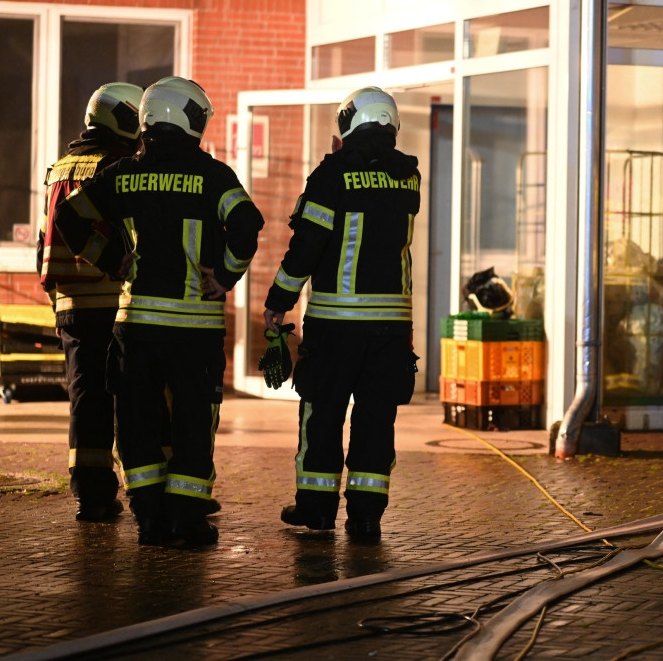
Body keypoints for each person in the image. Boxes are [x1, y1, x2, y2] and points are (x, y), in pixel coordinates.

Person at [55, 76, 264, 547]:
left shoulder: (124, 174)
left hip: (136, 328)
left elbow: (69, 216)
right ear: (188, 119)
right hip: (196, 330)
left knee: (136, 423)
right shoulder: (214, 176)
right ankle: (188, 520)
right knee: (192, 422)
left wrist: (111, 260)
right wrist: (225, 275)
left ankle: (148, 518)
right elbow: (248, 223)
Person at [264, 86, 421, 541]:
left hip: (334, 326)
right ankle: (367, 516)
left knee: (322, 414)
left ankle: (315, 509)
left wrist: (279, 300)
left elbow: (307, 245)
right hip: (391, 328)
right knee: (376, 419)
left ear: (348, 123)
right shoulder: (408, 175)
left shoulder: (332, 172)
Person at [37, 82, 143, 522]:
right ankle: (144, 490)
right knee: (130, 397)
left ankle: (91, 492)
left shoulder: (58, 168)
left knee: (85, 396)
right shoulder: (116, 165)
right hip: (114, 298)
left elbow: (48, 237)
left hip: (69, 302)